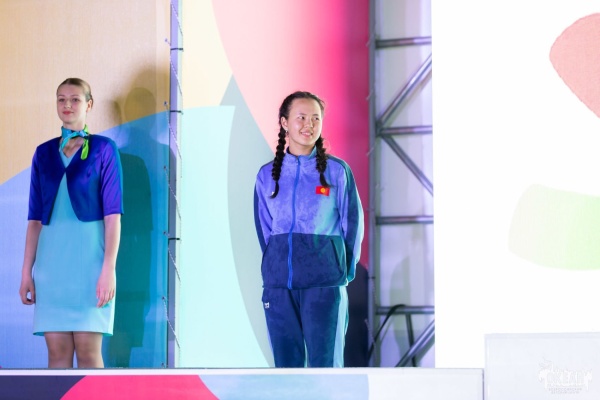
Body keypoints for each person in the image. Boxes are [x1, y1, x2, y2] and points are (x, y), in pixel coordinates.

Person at [253, 91, 364, 367]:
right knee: (286, 370)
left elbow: (352, 225)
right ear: (284, 123)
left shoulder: (337, 172)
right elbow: (265, 231)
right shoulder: (266, 176)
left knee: (326, 370)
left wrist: (341, 271)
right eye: (301, 117)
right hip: (279, 287)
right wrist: (276, 265)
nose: (309, 125)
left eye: (316, 118)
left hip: (324, 285)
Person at [19, 78, 123, 368]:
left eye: (75, 99)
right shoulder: (43, 153)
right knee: (57, 355)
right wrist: (27, 272)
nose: (67, 105)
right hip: (51, 268)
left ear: (89, 104)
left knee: (89, 353)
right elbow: (34, 219)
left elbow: (113, 216)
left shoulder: (104, 149)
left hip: (91, 266)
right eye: (61, 99)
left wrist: (109, 269)